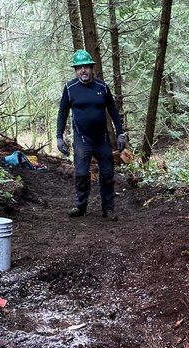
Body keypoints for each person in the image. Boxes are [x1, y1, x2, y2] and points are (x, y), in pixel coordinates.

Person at [56, 49, 125, 221]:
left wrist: (121, 134)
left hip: (102, 140)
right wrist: (59, 137)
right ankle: (80, 206)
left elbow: (113, 111)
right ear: (76, 70)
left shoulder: (102, 87)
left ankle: (108, 209)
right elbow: (62, 112)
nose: (83, 71)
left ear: (92, 68)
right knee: (81, 174)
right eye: (79, 68)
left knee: (108, 174)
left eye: (86, 66)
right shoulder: (70, 88)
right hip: (82, 140)